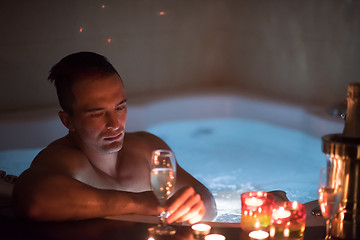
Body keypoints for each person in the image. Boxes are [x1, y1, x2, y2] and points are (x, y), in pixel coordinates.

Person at [12, 52, 217, 224]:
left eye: (120, 107)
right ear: (68, 121)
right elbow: (34, 200)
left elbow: (205, 197)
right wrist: (141, 203)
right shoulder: (65, 160)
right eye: (97, 113)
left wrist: (199, 207)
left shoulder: (147, 148)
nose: (114, 124)